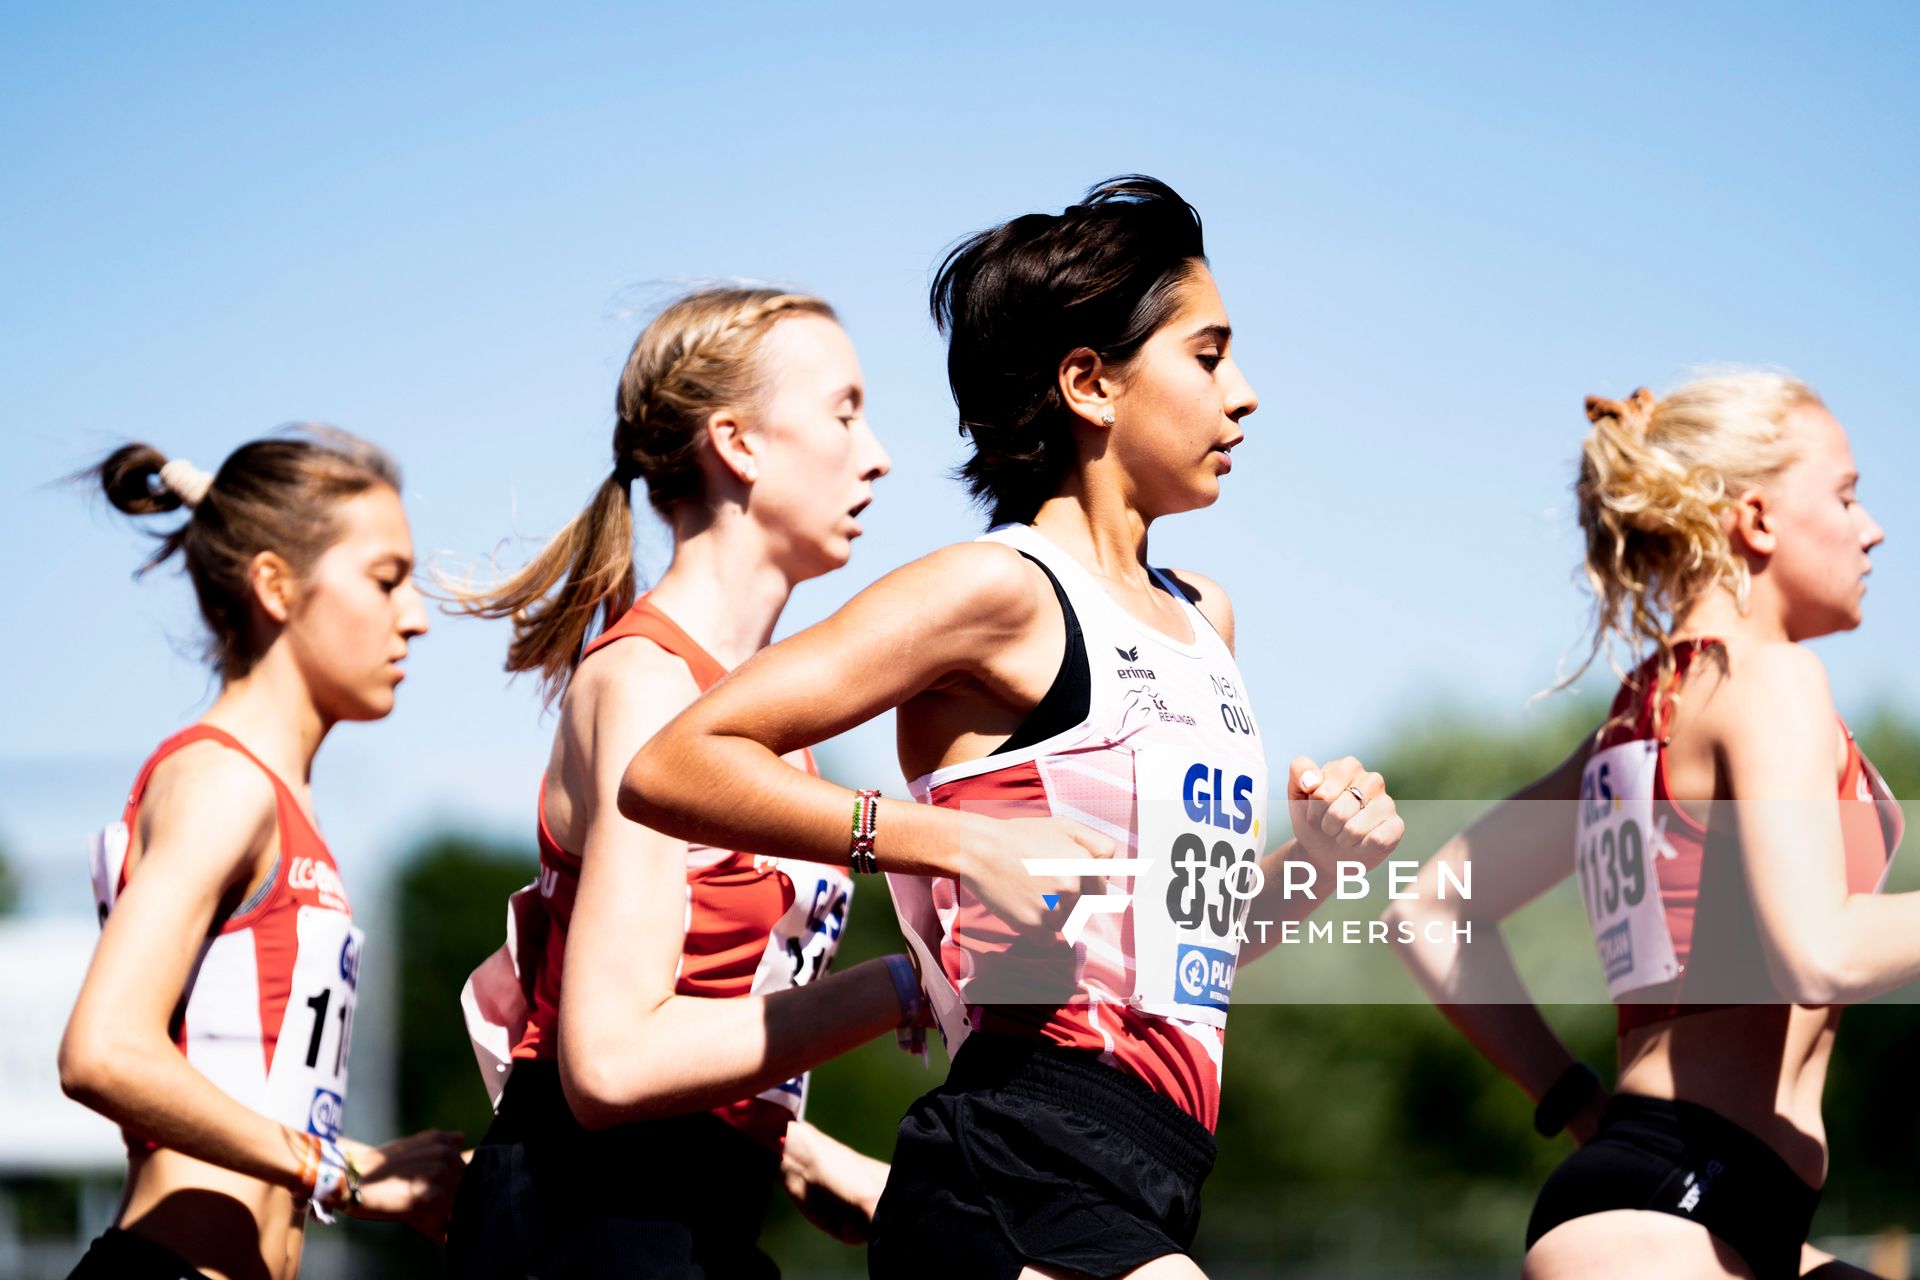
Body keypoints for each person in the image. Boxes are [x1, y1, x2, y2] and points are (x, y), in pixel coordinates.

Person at [621, 178, 1405, 1279]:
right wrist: (948, 838)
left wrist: (1313, 868)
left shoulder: (1205, 616)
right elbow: (673, 762)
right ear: (1090, 382)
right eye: (1210, 355)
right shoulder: (997, 590)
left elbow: (1182, 943)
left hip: (1155, 1163)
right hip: (1015, 1154)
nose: (1248, 394)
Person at [1387, 375, 1911, 1280]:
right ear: (1756, 518)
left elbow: (1430, 912)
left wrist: (1576, 1101)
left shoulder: (1639, 720)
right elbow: (1819, 951)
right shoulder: (1768, 679)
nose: (1873, 529)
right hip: (1673, 1218)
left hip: (1684, 1198)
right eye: (1847, 493)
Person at [442, 285, 919, 1279]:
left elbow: (704, 1004)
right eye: (844, 410)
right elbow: (610, 1062)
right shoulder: (655, 688)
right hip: (586, 1223)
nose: (876, 452)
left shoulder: (764, 718)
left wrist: (798, 1148)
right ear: (737, 443)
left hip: (688, 1209)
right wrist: (910, 982)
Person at [59, 429, 467, 1280]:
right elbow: (103, 1050)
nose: (417, 616)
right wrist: (344, 1171)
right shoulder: (222, 783)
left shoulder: (278, 797)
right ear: (276, 585)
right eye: (386, 580)